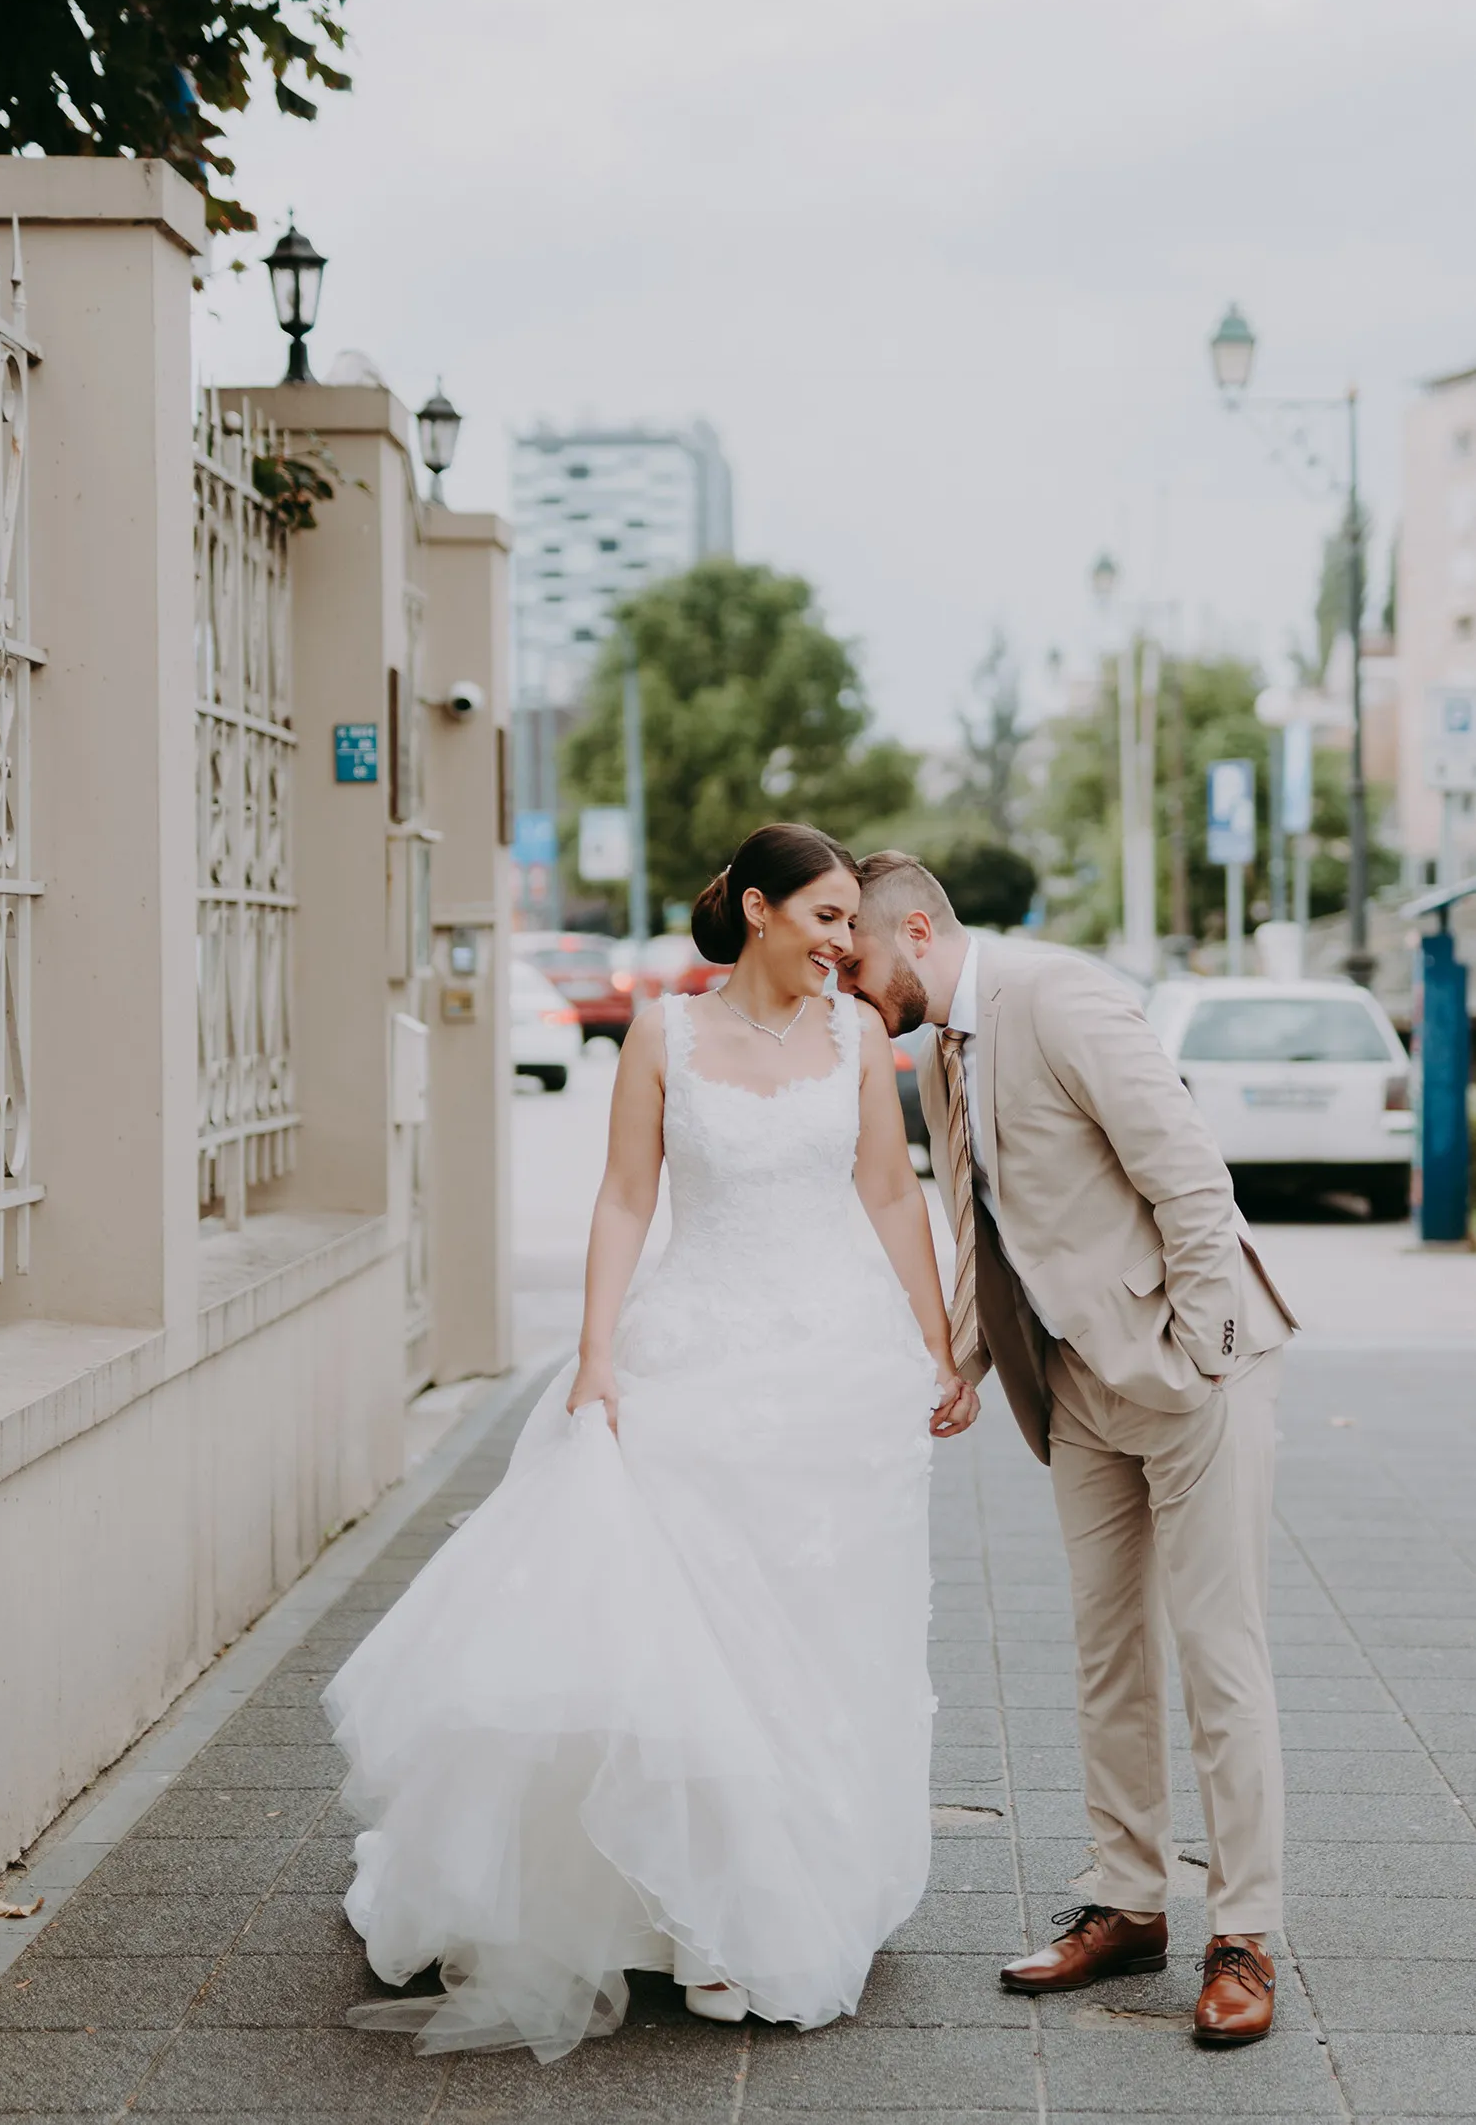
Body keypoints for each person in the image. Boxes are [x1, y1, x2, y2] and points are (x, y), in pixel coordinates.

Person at [324, 824, 976, 2062]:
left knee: (822, 1632)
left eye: (854, 922)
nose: (847, 942)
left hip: (835, 1373)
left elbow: (894, 1195)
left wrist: (936, 1347)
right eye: (829, 916)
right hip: (696, 1357)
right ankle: (686, 1914)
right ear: (756, 910)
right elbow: (626, 1195)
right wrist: (597, 1351)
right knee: (693, 1635)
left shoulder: (851, 1042)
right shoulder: (665, 1035)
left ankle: (783, 1887)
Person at [838, 851, 1296, 2048]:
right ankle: (1129, 1900)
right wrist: (970, 1359)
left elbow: (1190, 1176)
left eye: (855, 955)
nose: (842, 977)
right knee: (1107, 1654)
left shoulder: (1061, 995)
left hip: (1188, 1370)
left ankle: (1242, 1932)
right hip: (1075, 1386)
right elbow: (986, 1220)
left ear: (919, 929)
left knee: (1219, 1655)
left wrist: (1207, 1349)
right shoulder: (940, 1050)